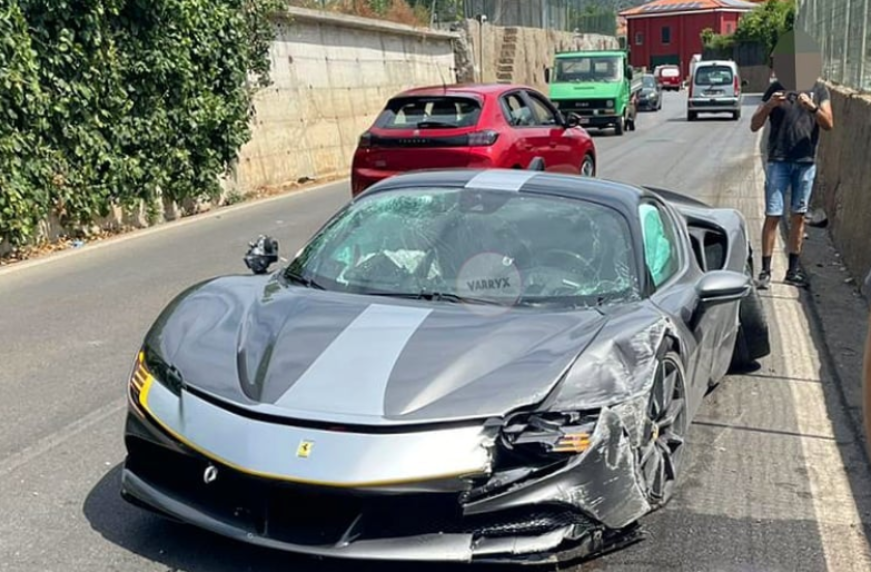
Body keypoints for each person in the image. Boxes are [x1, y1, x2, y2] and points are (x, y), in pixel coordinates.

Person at [750, 76, 834, 288]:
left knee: (798, 216)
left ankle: (793, 271)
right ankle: (765, 271)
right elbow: (754, 124)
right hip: (778, 161)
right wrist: (769, 105)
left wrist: (812, 107)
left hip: (805, 162)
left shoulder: (819, 90)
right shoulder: (775, 88)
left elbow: (828, 124)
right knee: (773, 215)